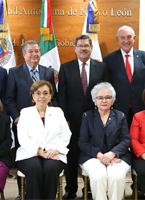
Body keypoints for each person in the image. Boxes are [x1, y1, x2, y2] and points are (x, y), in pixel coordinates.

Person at [58, 34, 109, 199]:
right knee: (71, 155)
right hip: (72, 120)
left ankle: (88, 188)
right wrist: (64, 119)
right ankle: (70, 189)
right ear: (75, 48)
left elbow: (106, 93)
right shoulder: (66, 68)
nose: (83, 48)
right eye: (80, 46)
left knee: (93, 154)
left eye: (86, 46)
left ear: (91, 48)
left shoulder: (102, 67)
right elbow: (62, 96)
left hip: (95, 120)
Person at [5, 40, 58, 200]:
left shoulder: (48, 72)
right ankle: (23, 193)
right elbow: (9, 98)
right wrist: (17, 118)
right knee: (28, 157)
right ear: (24, 54)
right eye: (30, 51)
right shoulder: (14, 72)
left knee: (44, 157)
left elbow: (53, 97)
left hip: (45, 122)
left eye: (37, 51)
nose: (34, 54)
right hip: (24, 123)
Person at [16, 80, 71, 199]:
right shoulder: (25, 113)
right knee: (34, 168)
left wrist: (55, 150)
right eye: (38, 93)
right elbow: (22, 137)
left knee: (50, 168)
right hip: (29, 153)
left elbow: (66, 134)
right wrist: (39, 151)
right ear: (32, 95)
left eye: (46, 93)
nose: (42, 96)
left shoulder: (58, 112)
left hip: (54, 153)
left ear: (51, 96)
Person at [78, 82, 131, 200]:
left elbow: (126, 140)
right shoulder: (87, 116)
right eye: (100, 98)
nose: (104, 100)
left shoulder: (120, 116)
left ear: (112, 101)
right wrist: (100, 155)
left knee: (116, 176)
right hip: (92, 156)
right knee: (98, 176)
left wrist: (112, 153)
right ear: (94, 101)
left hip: (118, 156)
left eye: (108, 97)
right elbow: (83, 142)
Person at [103, 25, 145, 127]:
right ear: (117, 39)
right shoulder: (108, 59)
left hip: (141, 107)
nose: (126, 40)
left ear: (134, 38)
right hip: (118, 109)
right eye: (122, 37)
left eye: (129, 37)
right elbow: (106, 86)